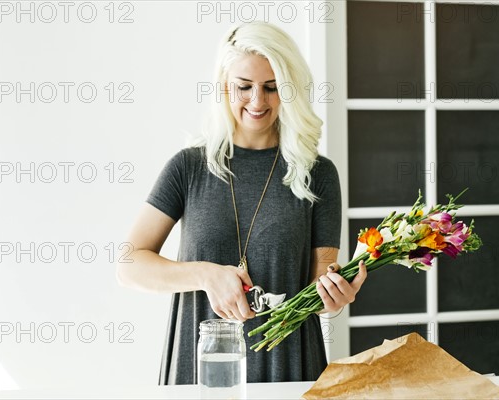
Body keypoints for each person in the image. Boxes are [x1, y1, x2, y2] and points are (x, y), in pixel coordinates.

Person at [116, 21, 367, 384]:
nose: (257, 101)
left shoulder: (318, 173)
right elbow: (129, 266)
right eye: (244, 87)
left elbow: (320, 279)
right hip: (197, 364)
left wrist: (334, 294)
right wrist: (206, 274)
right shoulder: (189, 167)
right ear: (223, 87)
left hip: (289, 367)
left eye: (271, 87)